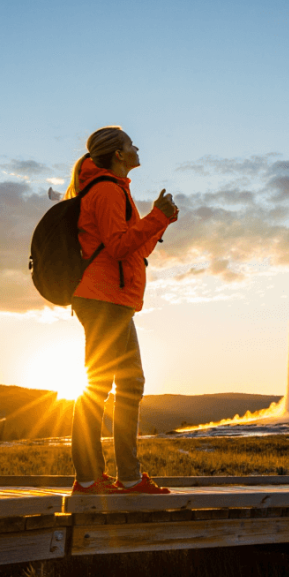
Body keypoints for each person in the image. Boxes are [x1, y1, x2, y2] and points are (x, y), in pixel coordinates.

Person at [66, 126, 178, 495]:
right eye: (131, 143)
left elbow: (134, 252)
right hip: (103, 300)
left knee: (123, 384)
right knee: (107, 386)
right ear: (118, 154)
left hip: (109, 299)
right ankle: (99, 479)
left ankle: (117, 477)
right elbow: (116, 248)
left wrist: (158, 222)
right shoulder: (107, 191)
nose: (137, 147)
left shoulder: (114, 190)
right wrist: (155, 218)